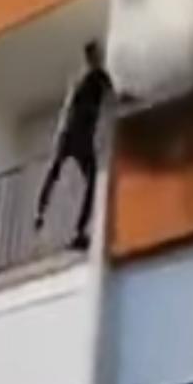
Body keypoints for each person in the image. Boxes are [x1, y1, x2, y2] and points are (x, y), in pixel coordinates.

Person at [35, 40, 114, 250]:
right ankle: (78, 230)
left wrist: (59, 134)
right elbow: (113, 98)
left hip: (69, 134)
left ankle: (41, 214)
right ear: (95, 56)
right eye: (99, 55)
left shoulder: (79, 78)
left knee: (55, 171)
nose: (101, 58)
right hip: (80, 136)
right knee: (89, 181)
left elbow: (67, 107)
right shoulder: (98, 76)